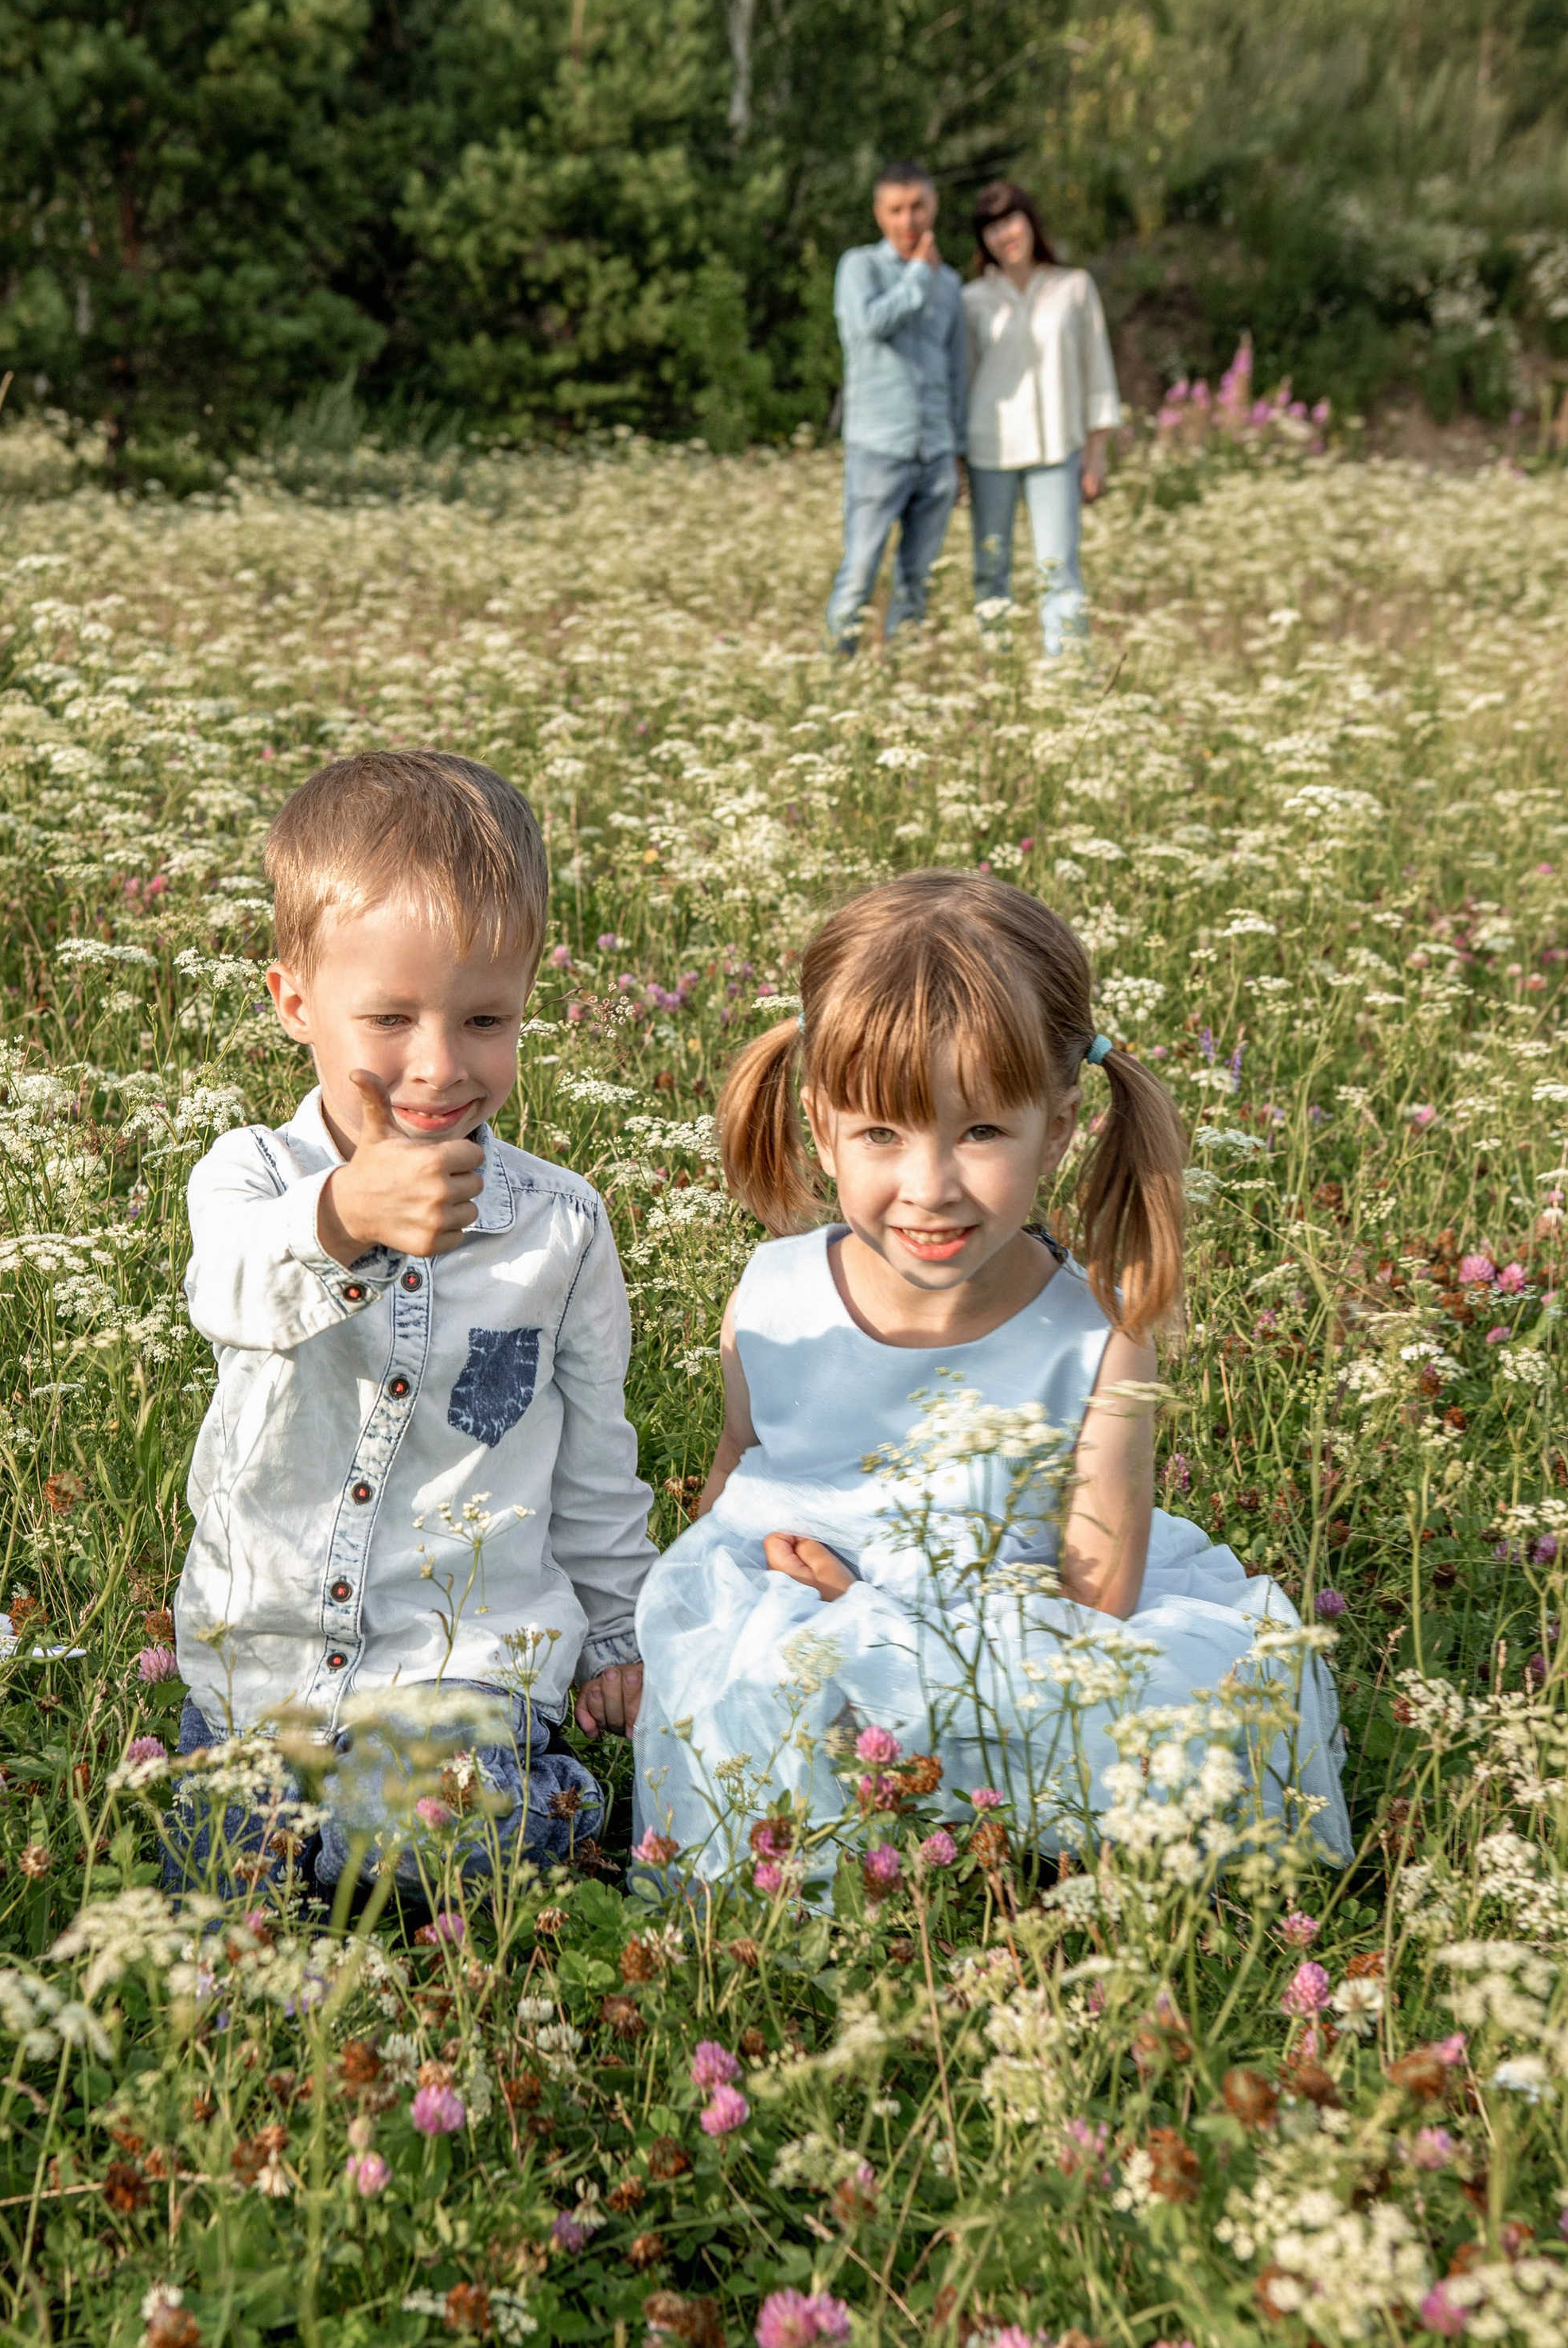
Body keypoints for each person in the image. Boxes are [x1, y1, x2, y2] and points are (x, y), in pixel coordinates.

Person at [632, 871, 1349, 1883]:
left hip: (1010, 1662)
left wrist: (882, 1620)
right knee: (752, 1692)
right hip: (801, 1640)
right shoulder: (775, 1293)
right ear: (822, 1123)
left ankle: (993, 1864)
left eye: (978, 1132)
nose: (930, 1185)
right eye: (881, 1132)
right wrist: (725, 1616)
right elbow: (737, 1473)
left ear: (1056, 1128)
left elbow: (1094, 1603)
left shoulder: (1098, 1336)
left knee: (1184, 1710)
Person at [165, 748, 654, 1895]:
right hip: (261, 1660)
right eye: (389, 1018)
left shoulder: (562, 1227)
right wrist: (341, 1216)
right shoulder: (250, 1177)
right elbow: (229, 1291)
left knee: (406, 1846)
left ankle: (561, 1801)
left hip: (462, 1659)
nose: (439, 1066)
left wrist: (620, 1635)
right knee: (223, 1880)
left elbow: (593, 1451)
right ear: (294, 1001)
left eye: (485, 1019)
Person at [962, 178, 1122, 655]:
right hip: (989, 449)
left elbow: (1098, 371)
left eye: (1011, 219)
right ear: (982, 240)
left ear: (1030, 221)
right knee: (992, 570)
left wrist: (1096, 456)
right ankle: (1000, 675)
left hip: (1057, 447)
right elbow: (963, 381)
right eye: (990, 227)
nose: (1004, 234)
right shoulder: (971, 301)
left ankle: (1067, 682)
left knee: (1059, 568)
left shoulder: (1073, 287)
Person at [826, 162, 967, 656]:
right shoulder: (860, 267)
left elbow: (957, 371)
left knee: (917, 581)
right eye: (897, 210)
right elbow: (869, 325)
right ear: (879, 215)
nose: (909, 221)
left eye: (918, 207)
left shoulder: (950, 284)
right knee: (860, 569)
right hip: (878, 447)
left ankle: (899, 681)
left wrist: (958, 451)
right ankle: (834, 679)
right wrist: (916, 279)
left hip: (936, 453)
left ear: (934, 209)